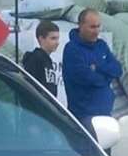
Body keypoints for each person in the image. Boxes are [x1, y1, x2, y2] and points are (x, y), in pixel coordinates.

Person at [62, 8, 122, 137]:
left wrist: (98, 67)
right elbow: (88, 78)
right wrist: (107, 76)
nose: (96, 31)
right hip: (84, 117)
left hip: (105, 113)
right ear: (81, 26)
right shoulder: (72, 49)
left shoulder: (101, 45)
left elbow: (117, 69)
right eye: (92, 27)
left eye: (98, 26)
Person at [22, 20, 61, 97]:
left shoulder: (47, 60)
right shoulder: (35, 59)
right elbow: (30, 87)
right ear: (41, 39)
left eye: (57, 38)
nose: (57, 42)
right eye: (53, 38)